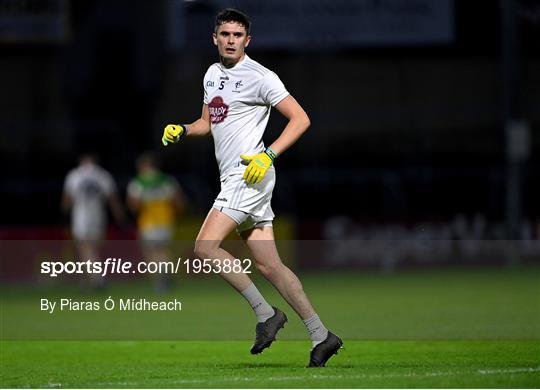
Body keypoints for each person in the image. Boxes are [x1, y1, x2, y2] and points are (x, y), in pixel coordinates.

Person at [162, 8, 342, 367]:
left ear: (247, 40)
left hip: (250, 174)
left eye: (237, 35)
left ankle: (265, 315)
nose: (230, 40)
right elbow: (207, 122)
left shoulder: (261, 76)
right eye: (225, 34)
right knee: (271, 267)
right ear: (215, 38)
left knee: (204, 247)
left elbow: (301, 118)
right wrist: (184, 128)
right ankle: (322, 335)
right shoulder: (212, 74)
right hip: (235, 177)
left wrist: (269, 155)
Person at [61, 154, 125, 288]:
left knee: (85, 248)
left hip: (81, 217)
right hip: (98, 216)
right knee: (92, 248)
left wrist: (64, 213)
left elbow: (67, 199)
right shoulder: (103, 175)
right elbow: (112, 199)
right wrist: (120, 216)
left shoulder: (74, 175)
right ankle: (89, 278)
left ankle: (97, 278)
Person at [127, 152, 185, 291]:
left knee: (151, 252)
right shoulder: (167, 180)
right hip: (166, 221)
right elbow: (179, 200)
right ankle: (165, 273)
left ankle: (159, 280)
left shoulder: (138, 182)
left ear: (142, 166)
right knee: (163, 250)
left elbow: (133, 204)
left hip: (148, 222)